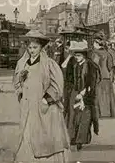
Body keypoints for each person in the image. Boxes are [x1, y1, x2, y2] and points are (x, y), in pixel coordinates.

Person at [13, 30, 70, 162]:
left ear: (41, 48)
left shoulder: (49, 64)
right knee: (28, 136)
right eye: (30, 47)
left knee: (46, 138)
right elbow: (17, 83)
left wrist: (47, 99)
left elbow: (57, 84)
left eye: (35, 47)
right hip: (28, 108)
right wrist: (21, 92)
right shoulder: (22, 63)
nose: (32, 50)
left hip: (45, 108)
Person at [65, 40, 101, 151]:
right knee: (72, 117)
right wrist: (72, 91)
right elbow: (67, 75)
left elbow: (92, 82)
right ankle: (72, 138)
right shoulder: (72, 63)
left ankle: (81, 140)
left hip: (87, 94)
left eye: (79, 55)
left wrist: (83, 93)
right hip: (74, 92)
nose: (77, 57)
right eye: (75, 55)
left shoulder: (91, 65)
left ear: (84, 55)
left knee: (84, 118)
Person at [92, 31, 115, 117]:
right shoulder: (107, 53)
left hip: (97, 77)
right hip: (105, 76)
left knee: (98, 95)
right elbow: (110, 66)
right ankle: (108, 112)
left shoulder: (92, 53)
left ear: (95, 42)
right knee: (106, 95)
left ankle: (99, 113)